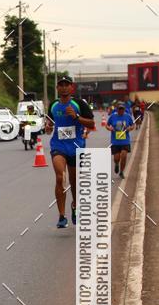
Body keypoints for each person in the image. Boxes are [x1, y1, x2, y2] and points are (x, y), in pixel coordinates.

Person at [45, 75, 95, 228]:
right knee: (60, 177)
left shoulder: (79, 104)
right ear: (57, 88)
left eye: (67, 85)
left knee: (74, 182)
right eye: (61, 85)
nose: (64, 87)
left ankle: (75, 206)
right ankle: (61, 216)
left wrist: (77, 116)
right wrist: (48, 128)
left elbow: (92, 123)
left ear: (71, 87)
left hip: (76, 147)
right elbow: (49, 124)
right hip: (58, 146)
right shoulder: (53, 105)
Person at [106, 101, 134, 178]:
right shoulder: (113, 116)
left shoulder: (127, 116)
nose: (121, 110)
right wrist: (110, 128)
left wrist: (130, 128)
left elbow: (132, 125)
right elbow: (107, 125)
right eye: (119, 109)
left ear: (124, 109)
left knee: (124, 156)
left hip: (125, 141)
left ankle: (121, 172)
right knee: (116, 158)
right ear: (117, 109)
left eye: (122, 109)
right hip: (115, 141)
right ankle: (116, 164)